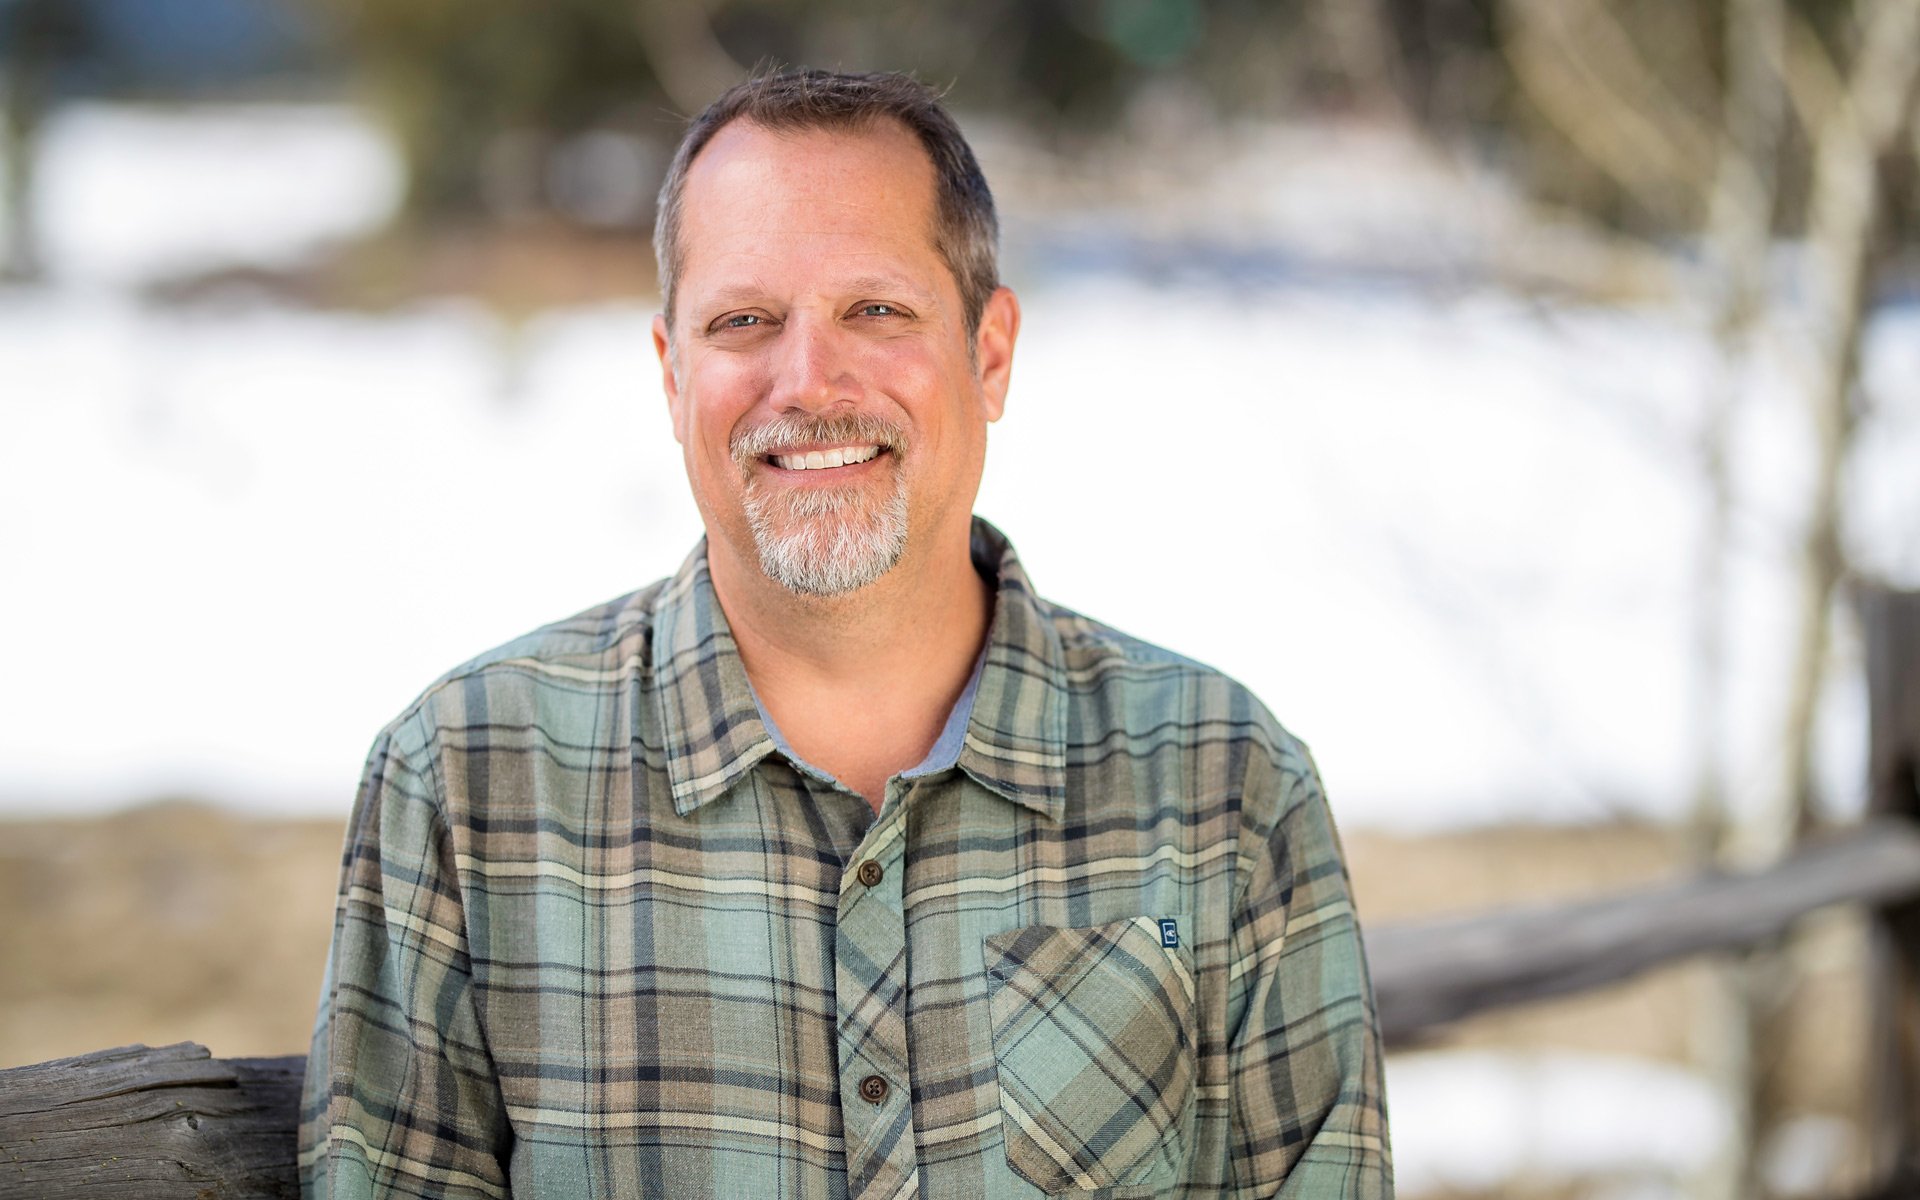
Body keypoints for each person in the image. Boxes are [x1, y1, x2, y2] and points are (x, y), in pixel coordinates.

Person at [300, 68, 1390, 1199]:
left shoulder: (1225, 785)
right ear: (674, 378)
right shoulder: (466, 786)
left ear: (991, 353)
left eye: (876, 310)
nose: (809, 381)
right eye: (744, 321)